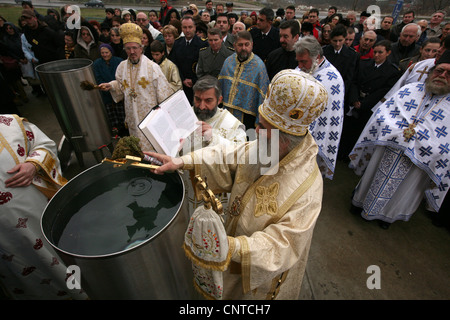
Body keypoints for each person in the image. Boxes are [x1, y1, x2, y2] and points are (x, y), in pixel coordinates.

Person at [146, 69, 327, 300]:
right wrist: (181, 161)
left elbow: (284, 244)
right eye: (258, 124)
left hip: (258, 281)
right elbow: (229, 156)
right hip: (231, 237)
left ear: (285, 141)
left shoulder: (307, 189)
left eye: (262, 128)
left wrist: (230, 248)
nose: (256, 132)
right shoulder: (268, 146)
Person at [349, 53, 450, 229]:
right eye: (440, 71)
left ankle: (387, 216)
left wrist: (421, 141)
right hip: (389, 146)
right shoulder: (409, 90)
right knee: (372, 176)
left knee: (403, 191)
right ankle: (359, 202)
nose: (442, 76)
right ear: (431, 72)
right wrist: (397, 131)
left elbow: (446, 142)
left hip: (417, 161)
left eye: (449, 74)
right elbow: (383, 113)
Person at [0, 114, 88, 300]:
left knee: (71, 260)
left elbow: (45, 145)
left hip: (43, 215)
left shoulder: (10, 123)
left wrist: (34, 164)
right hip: (8, 241)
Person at [97, 23, 173, 151]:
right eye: (128, 48)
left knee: (153, 148)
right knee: (137, 147)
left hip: (150, 118)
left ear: (141, 48)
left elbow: (164, 95)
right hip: (132, 117)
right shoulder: (121, 67)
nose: (132, 52)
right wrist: (111, 85)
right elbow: (122, 87)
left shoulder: (152, 68)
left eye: (135, 48)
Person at [294, 36, 345, 180]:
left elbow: (325, 114)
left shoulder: (332, 78)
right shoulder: (302, 68)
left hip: (313, 135)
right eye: (298, 61)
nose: (300, 65)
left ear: (316, 57)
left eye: (303, 61)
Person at [342, 40, 401, 160]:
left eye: (380, 52)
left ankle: (354, 157)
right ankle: (343, 153)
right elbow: (354, 82)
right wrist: (354, 99)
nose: (377, 55)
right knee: (348, 130)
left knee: (361, 131)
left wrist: (364, 104)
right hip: (356, 101)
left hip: (370, 106)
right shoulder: (364, 63)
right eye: (375, 52)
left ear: (388, 53)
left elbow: (384, 91)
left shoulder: (392, 71)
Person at [374, 36, 450, 111]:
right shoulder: (419, 65)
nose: (439, 50)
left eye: (445, 48)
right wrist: (380, 109)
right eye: (441, 46)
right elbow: (397, 89)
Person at [218, 31, 269, 129]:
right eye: (240, 45)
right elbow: (220, 87)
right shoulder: (228, 62)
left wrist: (259, 122)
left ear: (252, 45)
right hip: (226, 113)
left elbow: (262, 96)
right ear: (234, 45)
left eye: (247, 44)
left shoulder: (259, 66)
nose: (244, 48)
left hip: (247, 117)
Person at [169, 16, 208, 104]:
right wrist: (183, 79)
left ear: (194, 28)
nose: (187, 30)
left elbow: (204, 67)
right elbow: (174, 64)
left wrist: (193, 80)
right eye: (185, 27)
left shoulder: (203, 44)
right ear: (181, 28)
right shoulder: (177, 43)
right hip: (181, 85)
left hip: (197, 86)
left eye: (190, 27)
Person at [93, 43, 127, 137]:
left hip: (118, 92)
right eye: (102, 53)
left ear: (111, 52)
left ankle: (125, 130)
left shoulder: (119, 62)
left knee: (122, 114)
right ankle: (117, 131)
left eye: (106, 52)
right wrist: (103, 85)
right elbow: (97, 77)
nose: (105, 55)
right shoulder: (97, 64)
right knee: (112, 114)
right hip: (106, 94)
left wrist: (113, 85)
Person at [323, 24, 359, 103]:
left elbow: (350, 77)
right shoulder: (324, 52)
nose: (337, 44)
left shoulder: (352, 55)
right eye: (335, 41)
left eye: (340, 40)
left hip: (341, 91)